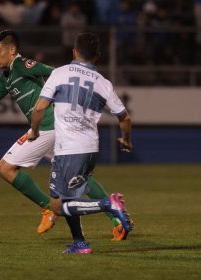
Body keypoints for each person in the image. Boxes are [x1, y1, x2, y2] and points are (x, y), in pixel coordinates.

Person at [0, 30, 128, 239]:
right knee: (81, 180)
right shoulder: (7, 77)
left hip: (46, 127)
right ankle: (117, 218)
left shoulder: (22, 65)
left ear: (12, 50)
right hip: (54, 128)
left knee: (5, 168)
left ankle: (48, 208)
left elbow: (54, 72)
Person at [27, 32, 133, 254]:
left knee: (58, 205)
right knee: (70, 197)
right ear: (97, 56)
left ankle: (108, 204)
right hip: (91, 149)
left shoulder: (60, 73)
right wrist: (125, 139)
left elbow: (39, 108)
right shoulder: (103, 83)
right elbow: (124, 117)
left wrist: (35, 131)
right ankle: (80, 243)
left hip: (68, 149)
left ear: (74, 52)